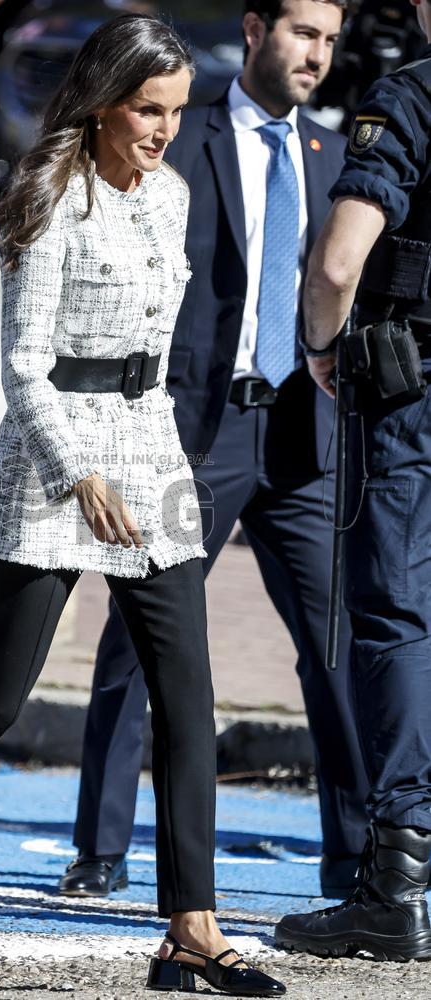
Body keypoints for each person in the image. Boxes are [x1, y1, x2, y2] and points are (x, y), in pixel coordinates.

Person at [0, 15, 286, 996]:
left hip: (147, 449)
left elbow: (154, 349)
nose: (163, 129)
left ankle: (188, 927)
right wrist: (79, 472)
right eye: (145, 109)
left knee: (186, 695)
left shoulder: (169, 196)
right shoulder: (50, 198)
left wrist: (154, 462)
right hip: (50, 457)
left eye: (174, 111)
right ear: (104, 103)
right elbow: (24, 368)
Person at [59, 0, 369, 905]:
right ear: (252, 28)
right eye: (301, 32)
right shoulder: (177, 137)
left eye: (327, 40)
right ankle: (102, 847)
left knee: (336, 642)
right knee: (138, 634)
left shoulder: (334, 154)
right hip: (191, 428)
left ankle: (354, 859)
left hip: (300, 435)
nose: (316, 54)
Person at [275, 0, 431, 963]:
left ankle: (396, 881)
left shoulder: (411, 94)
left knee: (396, 617)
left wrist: (321, 347)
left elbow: (337, 261)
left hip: (414, 398)